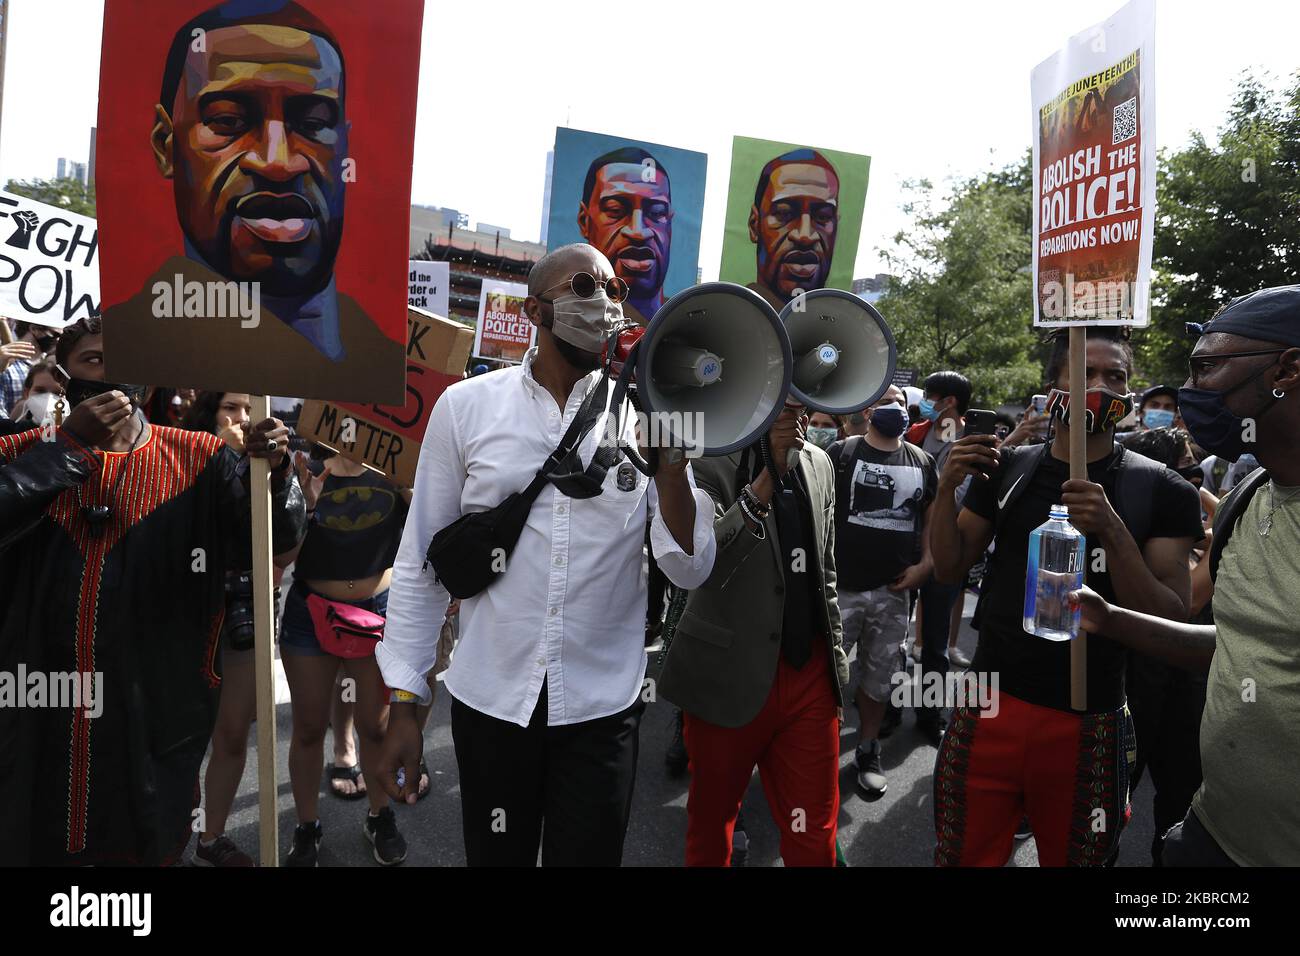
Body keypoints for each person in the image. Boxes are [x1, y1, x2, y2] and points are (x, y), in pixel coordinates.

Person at [376, 243, 716, 866]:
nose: (607, 303)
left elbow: (689, 566)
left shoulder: (654, 412)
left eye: (615, 289)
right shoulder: (466, 407)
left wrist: (671, 469)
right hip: (491, 703)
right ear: (535, 311)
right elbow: (423, 562)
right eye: (585, 287)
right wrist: (405, 701)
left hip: (601, 709)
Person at [0, 314, 306, 865]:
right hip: (34, 704)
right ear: (66, 378)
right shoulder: (20, 449)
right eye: (94, 361)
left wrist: (277, 474)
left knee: (139, 852)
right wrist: (68, 447)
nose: (112, 373)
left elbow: (273, 538)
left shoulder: (201, 459)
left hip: (153, 711)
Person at [929, 328, 1202, 866]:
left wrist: (1113, 530)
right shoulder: (1008, 469)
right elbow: (950, 565)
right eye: (1084, 375)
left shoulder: (1164, 489)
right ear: (1051, 387)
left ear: (1129, 393)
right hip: (988, 702)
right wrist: (944, 491)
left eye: (1115, 376)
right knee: (964, 853)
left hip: (1088, 715)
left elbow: (1171, 615)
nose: (1100, 388)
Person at [1071, 286, 1300, 866]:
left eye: (1208, 367)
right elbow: (1242, 649)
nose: (1190, 391)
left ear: (1288, 369)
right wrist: (1114, 620)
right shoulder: (1249, 497)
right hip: (1211, 836)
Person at [102, 0, 404, 403]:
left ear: (345, 144)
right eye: (228, 121)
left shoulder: (383, 367)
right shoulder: (122, 345)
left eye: (313, 125)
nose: (277, 162)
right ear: (165, 145)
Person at [658, 402, 847, 866]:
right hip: (727, 671)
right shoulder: (706, 457)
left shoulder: (820, 461)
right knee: (712, 824)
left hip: (810, 676)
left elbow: (825, 572)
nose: (797, 407)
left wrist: (836, 666)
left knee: (814, 832)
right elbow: (703, 565)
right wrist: (765, 480)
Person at [276, 445, 412, 866]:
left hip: (376, 614)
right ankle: (307, 827)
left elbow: (429, 535)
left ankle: (380, 815)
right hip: (311, 614)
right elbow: (280, 559)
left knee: (374, 727)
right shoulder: (305, 470)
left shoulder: (397, 470)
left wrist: (412, 492)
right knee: (310, 727)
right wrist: (307, 505)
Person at [825, 386, 936, 799]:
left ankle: (867, 749)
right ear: (868, 408)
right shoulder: (842, 453)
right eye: (883, 399)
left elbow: (930, 519)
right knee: (825, 679)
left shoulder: (922, 461)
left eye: (898, 399)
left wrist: (925, 564)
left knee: (878, 679)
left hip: (892, 594)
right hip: (840, 592)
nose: (892, 406)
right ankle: (817, 754)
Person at [1115, 426, 1210, 865]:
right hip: (1140, 683)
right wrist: (1214, 554)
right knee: (1112, 799)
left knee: (1179, 806)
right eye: (1186, 467)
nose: (1195, 477)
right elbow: (1181, 612)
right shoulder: (1139, 530)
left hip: (1184, 691)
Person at [905, 370, 973, 742]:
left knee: (935, 641)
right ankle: (886, 709)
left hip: (946, 553)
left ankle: (930, 715)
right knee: (894, 635)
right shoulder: (915, 433)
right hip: (908, 548)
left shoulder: (972, 440)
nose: (925, 403)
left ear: (949, 402)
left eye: (931, 396)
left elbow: (966, 499)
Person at [578, 147, 674, 325]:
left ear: (669, 225)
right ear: (585, 221)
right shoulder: (569, 322)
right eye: (616, 210)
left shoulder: (683, 326)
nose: (638, 232)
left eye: (656, 212)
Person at [747, 149, 839, 308]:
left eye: (822, 217)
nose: (805, 236)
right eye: (784, 213)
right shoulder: (725, 319)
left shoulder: (843, 326)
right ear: (755, 225)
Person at [1, 321, 57, 414]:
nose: (59, 340)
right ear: (34, 329)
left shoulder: (54, 366)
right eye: (55, 334)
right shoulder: (4, 363)